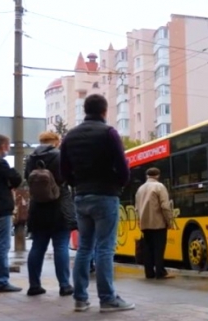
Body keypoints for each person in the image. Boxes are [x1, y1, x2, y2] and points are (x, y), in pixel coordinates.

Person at [60, 94, 134, 313]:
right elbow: (122, 167)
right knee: (104, 248)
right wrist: (118, 184)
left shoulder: (69, 137)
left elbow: (64, 171)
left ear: (85, 110)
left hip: (81, 196)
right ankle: (107, 299)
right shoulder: (109, 133)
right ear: (104, 111)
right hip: (105, 195)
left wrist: (78, 184)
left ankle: (80, 299)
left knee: (84, 248)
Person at [24, 132, 76, 297]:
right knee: (60, 246)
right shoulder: (59, 156)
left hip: (38, 208)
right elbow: (68, 177)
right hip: (58, 206)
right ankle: (64, 285)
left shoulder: (31, 158)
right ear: (55, 142)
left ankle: (34, 285)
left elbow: (27, 178)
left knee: (37, 247)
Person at [0, 134, 22, 292]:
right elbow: (16, 180)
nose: (8, 148)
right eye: (8, 145)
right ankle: (1, 280)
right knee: (3, 244)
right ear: (2, 146)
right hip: (2, 207)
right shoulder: (0, 162)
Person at [135, 167, 174, 280]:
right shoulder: (159, 186)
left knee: (148, 248)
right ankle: (160, 272)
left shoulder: (140, 189)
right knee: (159, 248)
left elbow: (137, 208)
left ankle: (149, 272)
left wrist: (140, 220)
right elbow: (165, 206)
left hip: (144, 224)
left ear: (147, 176)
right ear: (158, 175)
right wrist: (169, 221)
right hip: (158, 223)